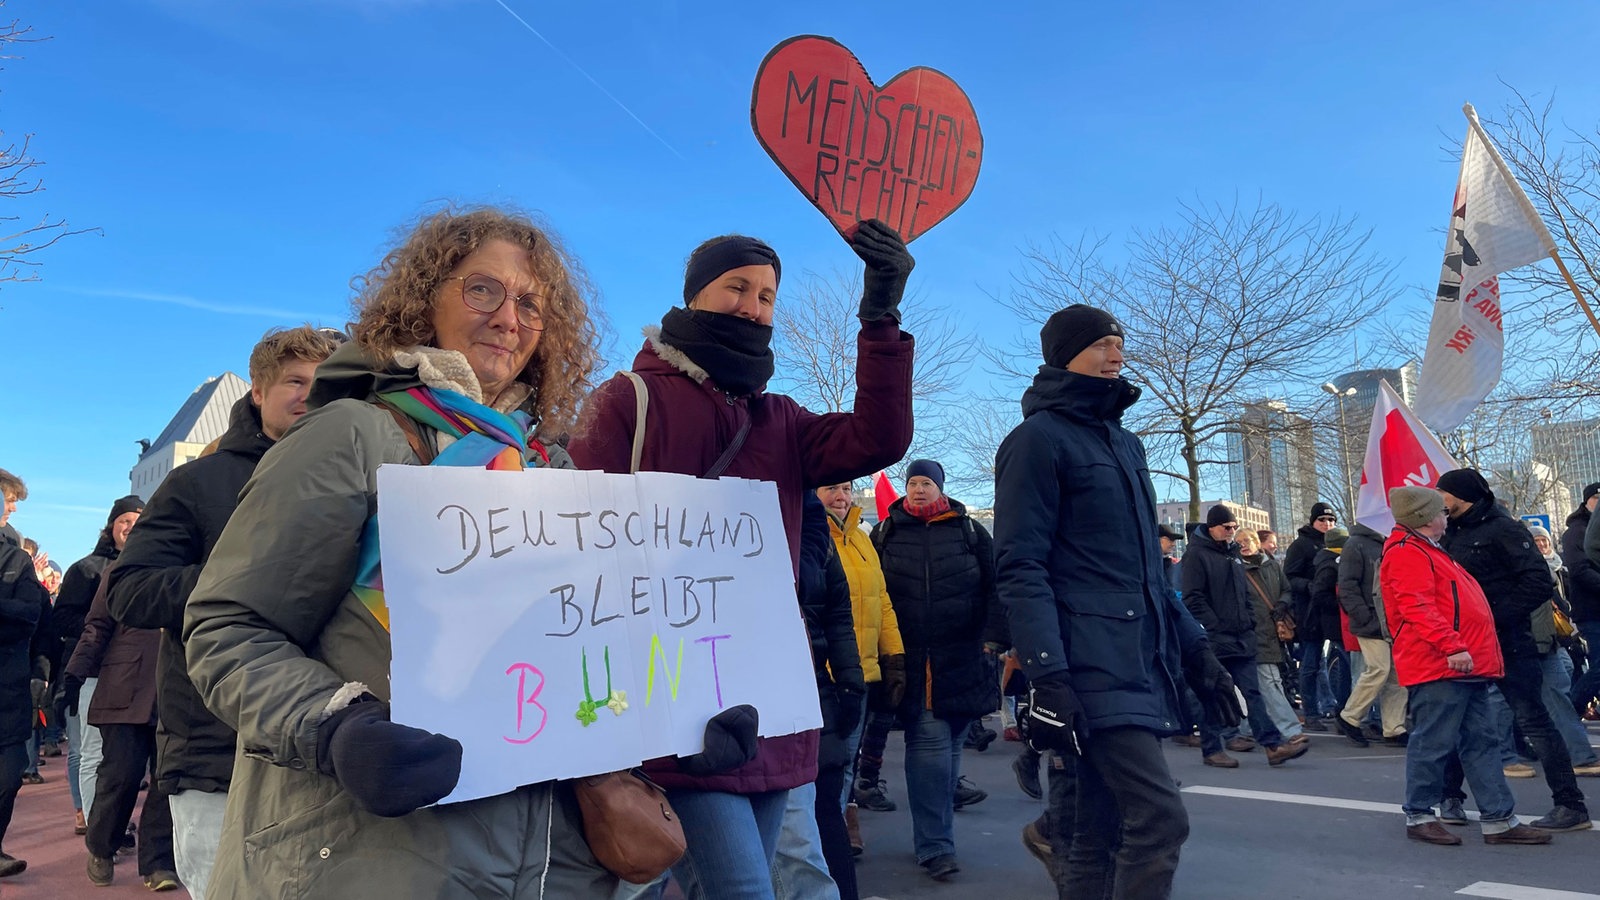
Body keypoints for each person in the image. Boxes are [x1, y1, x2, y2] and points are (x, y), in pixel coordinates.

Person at [183, 207, 618, 898]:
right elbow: (227, 628)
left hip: (532, 859)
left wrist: (679, 723)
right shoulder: (352, 436)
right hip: (358, 851)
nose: (509, 317)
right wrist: (336, 726)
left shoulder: (551, 472)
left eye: (532, 303)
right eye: (483, 290)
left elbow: (580, 657)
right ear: (425, 301)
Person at [565, 219, 914, 898]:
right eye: (738, 287)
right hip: (669, 695)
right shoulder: (628, 400)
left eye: (767, 295)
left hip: (767, 697)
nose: (754, 306)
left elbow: (883, 435)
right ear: (695, 296)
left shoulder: (780, 419)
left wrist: (880, 313)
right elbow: (577, 541)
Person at [993, 304, 1241, 900]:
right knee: (1161, 819)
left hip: (1137, 659)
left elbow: (1150, 576)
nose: (1117, 356)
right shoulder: (1035, 441)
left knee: (1091, 829)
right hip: (1086, 664)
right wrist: (1048, 674)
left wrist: (1197, 654)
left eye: (1120, 345)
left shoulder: (1126, 444)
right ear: (1064, 354)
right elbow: (1021, 567)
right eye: (1103, 344)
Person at [105, 326, 340, 900]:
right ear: (258, 391)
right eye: (294, 380)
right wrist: (242, 578)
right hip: (217, 752)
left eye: (323, 383)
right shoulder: (198, 482)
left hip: (330, 747)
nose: (309, 394)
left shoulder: (359, 479)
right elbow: (131, 590)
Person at [1380, 486, 1552, 847]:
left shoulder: (1423, 549)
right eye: (1440, 511)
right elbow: (1418, 608)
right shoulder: (1409, 552)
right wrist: (1452, 646)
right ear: (1426, 519)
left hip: (1458, 663)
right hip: (1442, 663)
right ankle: (1420, 814)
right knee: (1435, 741)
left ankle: (1498, 819)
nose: (1446, 515)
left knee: (1480, 741)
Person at [1434, 468, 1590, 832]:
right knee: (1457, 719)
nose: (1436, 497)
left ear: (1461, 494)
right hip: (1464, 644)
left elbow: (1538, 580)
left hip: (1508, 641)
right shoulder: (1447, 532)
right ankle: (1450, 798)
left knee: (1534, 719)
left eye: (1442, 491)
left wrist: (1494, 616)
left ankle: (1570, 805)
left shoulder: (1504, 529)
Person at [867, 460, 1000, 880]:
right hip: (914, 660)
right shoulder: (886, 532)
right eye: (912, 482)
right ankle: (935, 846)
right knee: (929, 745)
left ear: (941, 489)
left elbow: (997, 587)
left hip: (965, 657)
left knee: (952, 740)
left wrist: (995, 639)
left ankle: (937, 830)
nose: (918, 489)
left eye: (926, 483)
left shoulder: (971, 531)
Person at [67, 523, 180, 891]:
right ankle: (101, 845)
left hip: (176, 689)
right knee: (122, 775)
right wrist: (75, 673)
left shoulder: (191, 564)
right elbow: (97, 626)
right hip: (125, 687)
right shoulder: (122, 569)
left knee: (167, 780)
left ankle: (157, 862)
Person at [773, 492, 863, 900]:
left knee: (813, 828)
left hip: (808, 692)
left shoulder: (815, 534)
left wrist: (850, 682)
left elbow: (839, 615)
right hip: (738, 695)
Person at [815, 480, 905, 857]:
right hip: (823, 675)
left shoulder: (863, 538)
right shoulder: (808, 536)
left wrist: (894, 655)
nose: (841, 496)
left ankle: (834, 839)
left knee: (847, 764)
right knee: (822, 770)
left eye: (847, 488)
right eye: (831, 488)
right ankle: (817, 847)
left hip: (861, 675)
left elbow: (881, 600)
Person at [1181, 504, 1307, 768]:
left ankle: (1272, 746)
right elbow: (1193, 597)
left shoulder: (1233, 554)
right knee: (1214, 693)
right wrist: (1213, 627)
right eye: (1226, 527)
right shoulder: (1197, 555)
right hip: (1216, 638)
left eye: (1234, 527)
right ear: (1212, 527)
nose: (1231, 532)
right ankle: (1212, 748)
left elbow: (1244, 594)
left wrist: (1248, 621)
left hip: (1241, 636)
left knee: (1253, 692)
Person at [52, 495, 139, 835]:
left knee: (121, 757)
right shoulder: (85, 569)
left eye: (138, 520)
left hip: (131, 674)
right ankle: (92, 824)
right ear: (112, 526)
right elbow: (63, 618)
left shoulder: (151, 565)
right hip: (93, 672)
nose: (131, 527)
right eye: (125, 520)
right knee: (89, 751)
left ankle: (110, 822)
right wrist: (104, 634)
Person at [0, 468, 50, 878]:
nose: (12, 507)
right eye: (8, 497)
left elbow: (29, 616)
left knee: (10, 774)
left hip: (8, 684)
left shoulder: (17, 559)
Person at [1526, 525, 1600, 774]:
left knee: (1559, 689)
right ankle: (1507, 750)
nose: (1541, 546)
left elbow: (1561, 599)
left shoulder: (1558, 568)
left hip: (1553, 635)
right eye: (1535, 541)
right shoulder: (1535, 565)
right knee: (1502, 701)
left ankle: (1580, 755)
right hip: (1528, 638)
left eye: (1544, 541)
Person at [1335, 521, 1408, 746]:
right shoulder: (1356, 544)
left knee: (1397, 675)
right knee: (1380, 669)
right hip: (1372, 620)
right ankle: (1350, 716)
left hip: (1391, 620)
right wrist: (1363, 615)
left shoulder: (1390, 543)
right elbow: (1347, 585)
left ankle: (1393, 727)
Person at [1236, 528, 1304, 744]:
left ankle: (1246, 728)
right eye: (1238, 542)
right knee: (1269, 681)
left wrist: (1283, 604)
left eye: (1247, 540)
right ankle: (1290, 729)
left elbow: (1286, 588)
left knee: (1257, 685)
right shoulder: (1237, 569)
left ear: (1257, 542)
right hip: (1253, 633)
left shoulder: (1272, 565)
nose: (1243, 545)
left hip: (1273, 631)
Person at [1285, 502, 1338, 728]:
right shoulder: (1301, 545)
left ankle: (1329, 705)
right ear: (1313, 521)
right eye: (1322, 520)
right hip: (1309, 612)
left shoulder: (1337, 544)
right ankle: (1311, 711)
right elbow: (1289, 576)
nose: (1327, 524)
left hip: (1331, 610)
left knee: (1328, 662)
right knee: (1310, 664)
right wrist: (1309, 585)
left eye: (1331, 520)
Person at [1564, 483, 1600, 717]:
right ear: (1587, 501)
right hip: (1591, 610)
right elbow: (1578, 569)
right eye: (1596, 497)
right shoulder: (1577, 531)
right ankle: (1570, 709)